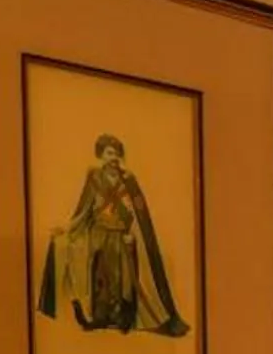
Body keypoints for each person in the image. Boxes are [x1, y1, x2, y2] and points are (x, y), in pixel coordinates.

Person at [37, 132, 190, 339]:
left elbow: (138, 213)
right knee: (99, 276)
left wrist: (133, 233)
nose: (114, 158)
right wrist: (65, 228)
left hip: (121, 236)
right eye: (109, 153)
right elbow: (84, 211)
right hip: (97, 234)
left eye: (117, 153)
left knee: (122, 280)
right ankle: (98, 318)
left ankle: (122, 319)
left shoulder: (129, 180)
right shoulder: (94, 178)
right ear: (101, 155)